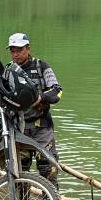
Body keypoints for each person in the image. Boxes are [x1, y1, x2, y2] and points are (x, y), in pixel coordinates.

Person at [7, 32, 62, 187]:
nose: (15, 54)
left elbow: (57, 91)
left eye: (19, 50)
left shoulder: (41, 66)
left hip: (42, 128)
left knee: (48, 169)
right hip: (19, 128)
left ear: (28, 48)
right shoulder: (8, 72)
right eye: (12, 50)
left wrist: (40, 99)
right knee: (19, 171)